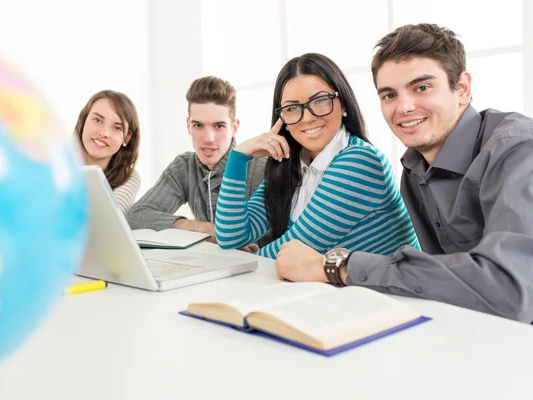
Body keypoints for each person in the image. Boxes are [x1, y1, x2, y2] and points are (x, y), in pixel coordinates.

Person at [275, 24, 533, 323]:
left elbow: (513, 289)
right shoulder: (414, 168)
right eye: (389, 95)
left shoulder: (517, 150)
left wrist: (339, 266)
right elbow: (443, 281)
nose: (404, 107)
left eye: (422, 87)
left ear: (461, 89)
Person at [215, 53, 419, 259]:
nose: (309, 117)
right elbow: (230, 238)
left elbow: (289, 252)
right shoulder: (292, 166)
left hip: (389, 291)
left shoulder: (361, 161)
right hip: (337, 289)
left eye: (320, 101)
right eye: (292, 108)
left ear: (344, 104)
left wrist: (247, 259)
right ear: (282, 118)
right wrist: (239, 157)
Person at [127, 76, 266, 249]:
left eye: (219, 126)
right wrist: (202, 228)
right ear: (188, 125)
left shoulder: (261, 167)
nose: (208, 138)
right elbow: (136, 217)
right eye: (198, 125)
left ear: (234, 127)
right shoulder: (184, 167)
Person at [75, 90, 141, 214]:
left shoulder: (129, 178)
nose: (104, 133)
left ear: (126, 138)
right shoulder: (57, 163)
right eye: (97, 120)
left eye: (117, 128)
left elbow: (110, 219)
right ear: (83, 121)